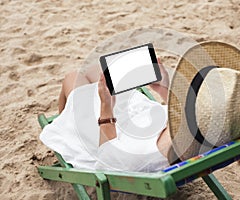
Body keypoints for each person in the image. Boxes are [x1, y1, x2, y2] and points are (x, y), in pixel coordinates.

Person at [40, 58, 172, 172]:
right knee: (97, 70)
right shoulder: (185, 131)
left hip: (108, 128)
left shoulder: (143, 158)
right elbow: (178, 115)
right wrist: (164, 90)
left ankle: (67, 130)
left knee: (73, 77)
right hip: (138, 116)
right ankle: (68, 121)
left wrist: (106, 105)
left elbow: (108, 158)